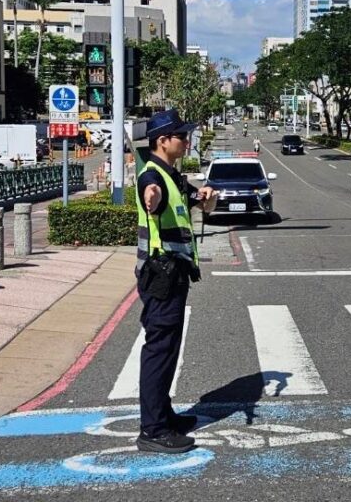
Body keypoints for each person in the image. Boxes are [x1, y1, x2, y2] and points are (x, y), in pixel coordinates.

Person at [135, 109, 217, 454]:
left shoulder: (173, 176)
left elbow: (203, 204)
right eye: (181, 137)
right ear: (162, 141)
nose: (186, 141)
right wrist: (150, 196)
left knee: (168, 350)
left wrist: (207, 199)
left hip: (174, 273)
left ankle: (163, 415)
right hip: (161, 274)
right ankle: (152, 429)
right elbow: (148, 194)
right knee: (160, 349)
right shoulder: (152, 175)